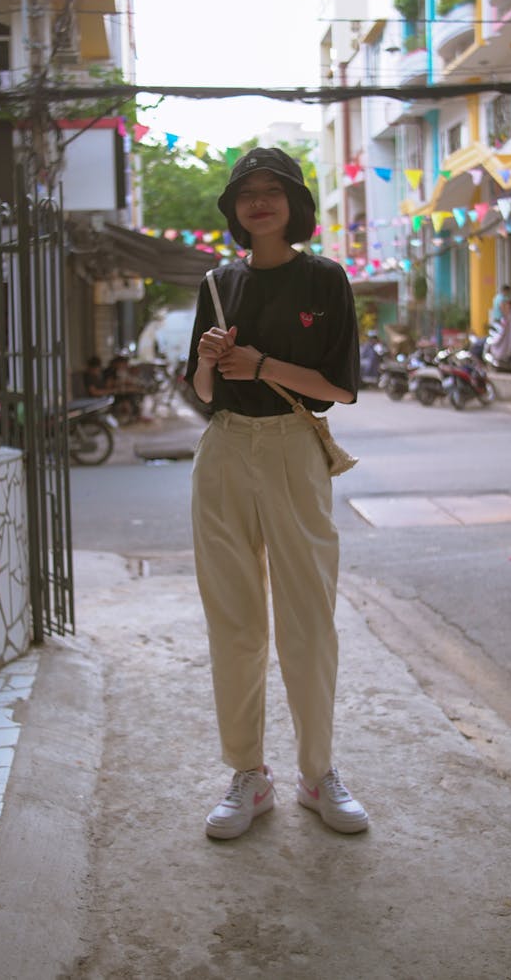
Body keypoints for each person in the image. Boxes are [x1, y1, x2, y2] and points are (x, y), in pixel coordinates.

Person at [186, 147, 368, 840]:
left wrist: (262, 363)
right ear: (233, 208)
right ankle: (248, 776)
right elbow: (204, 397)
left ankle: (317, 774)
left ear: (294, 202)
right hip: (226, 446)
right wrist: (208, 362)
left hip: (295, 447)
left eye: (274, 189)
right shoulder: (218, 281)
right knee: (232, 621)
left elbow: (340, 388)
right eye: (247, 191)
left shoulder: (325, 279)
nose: (259, 200)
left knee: (309, 620)